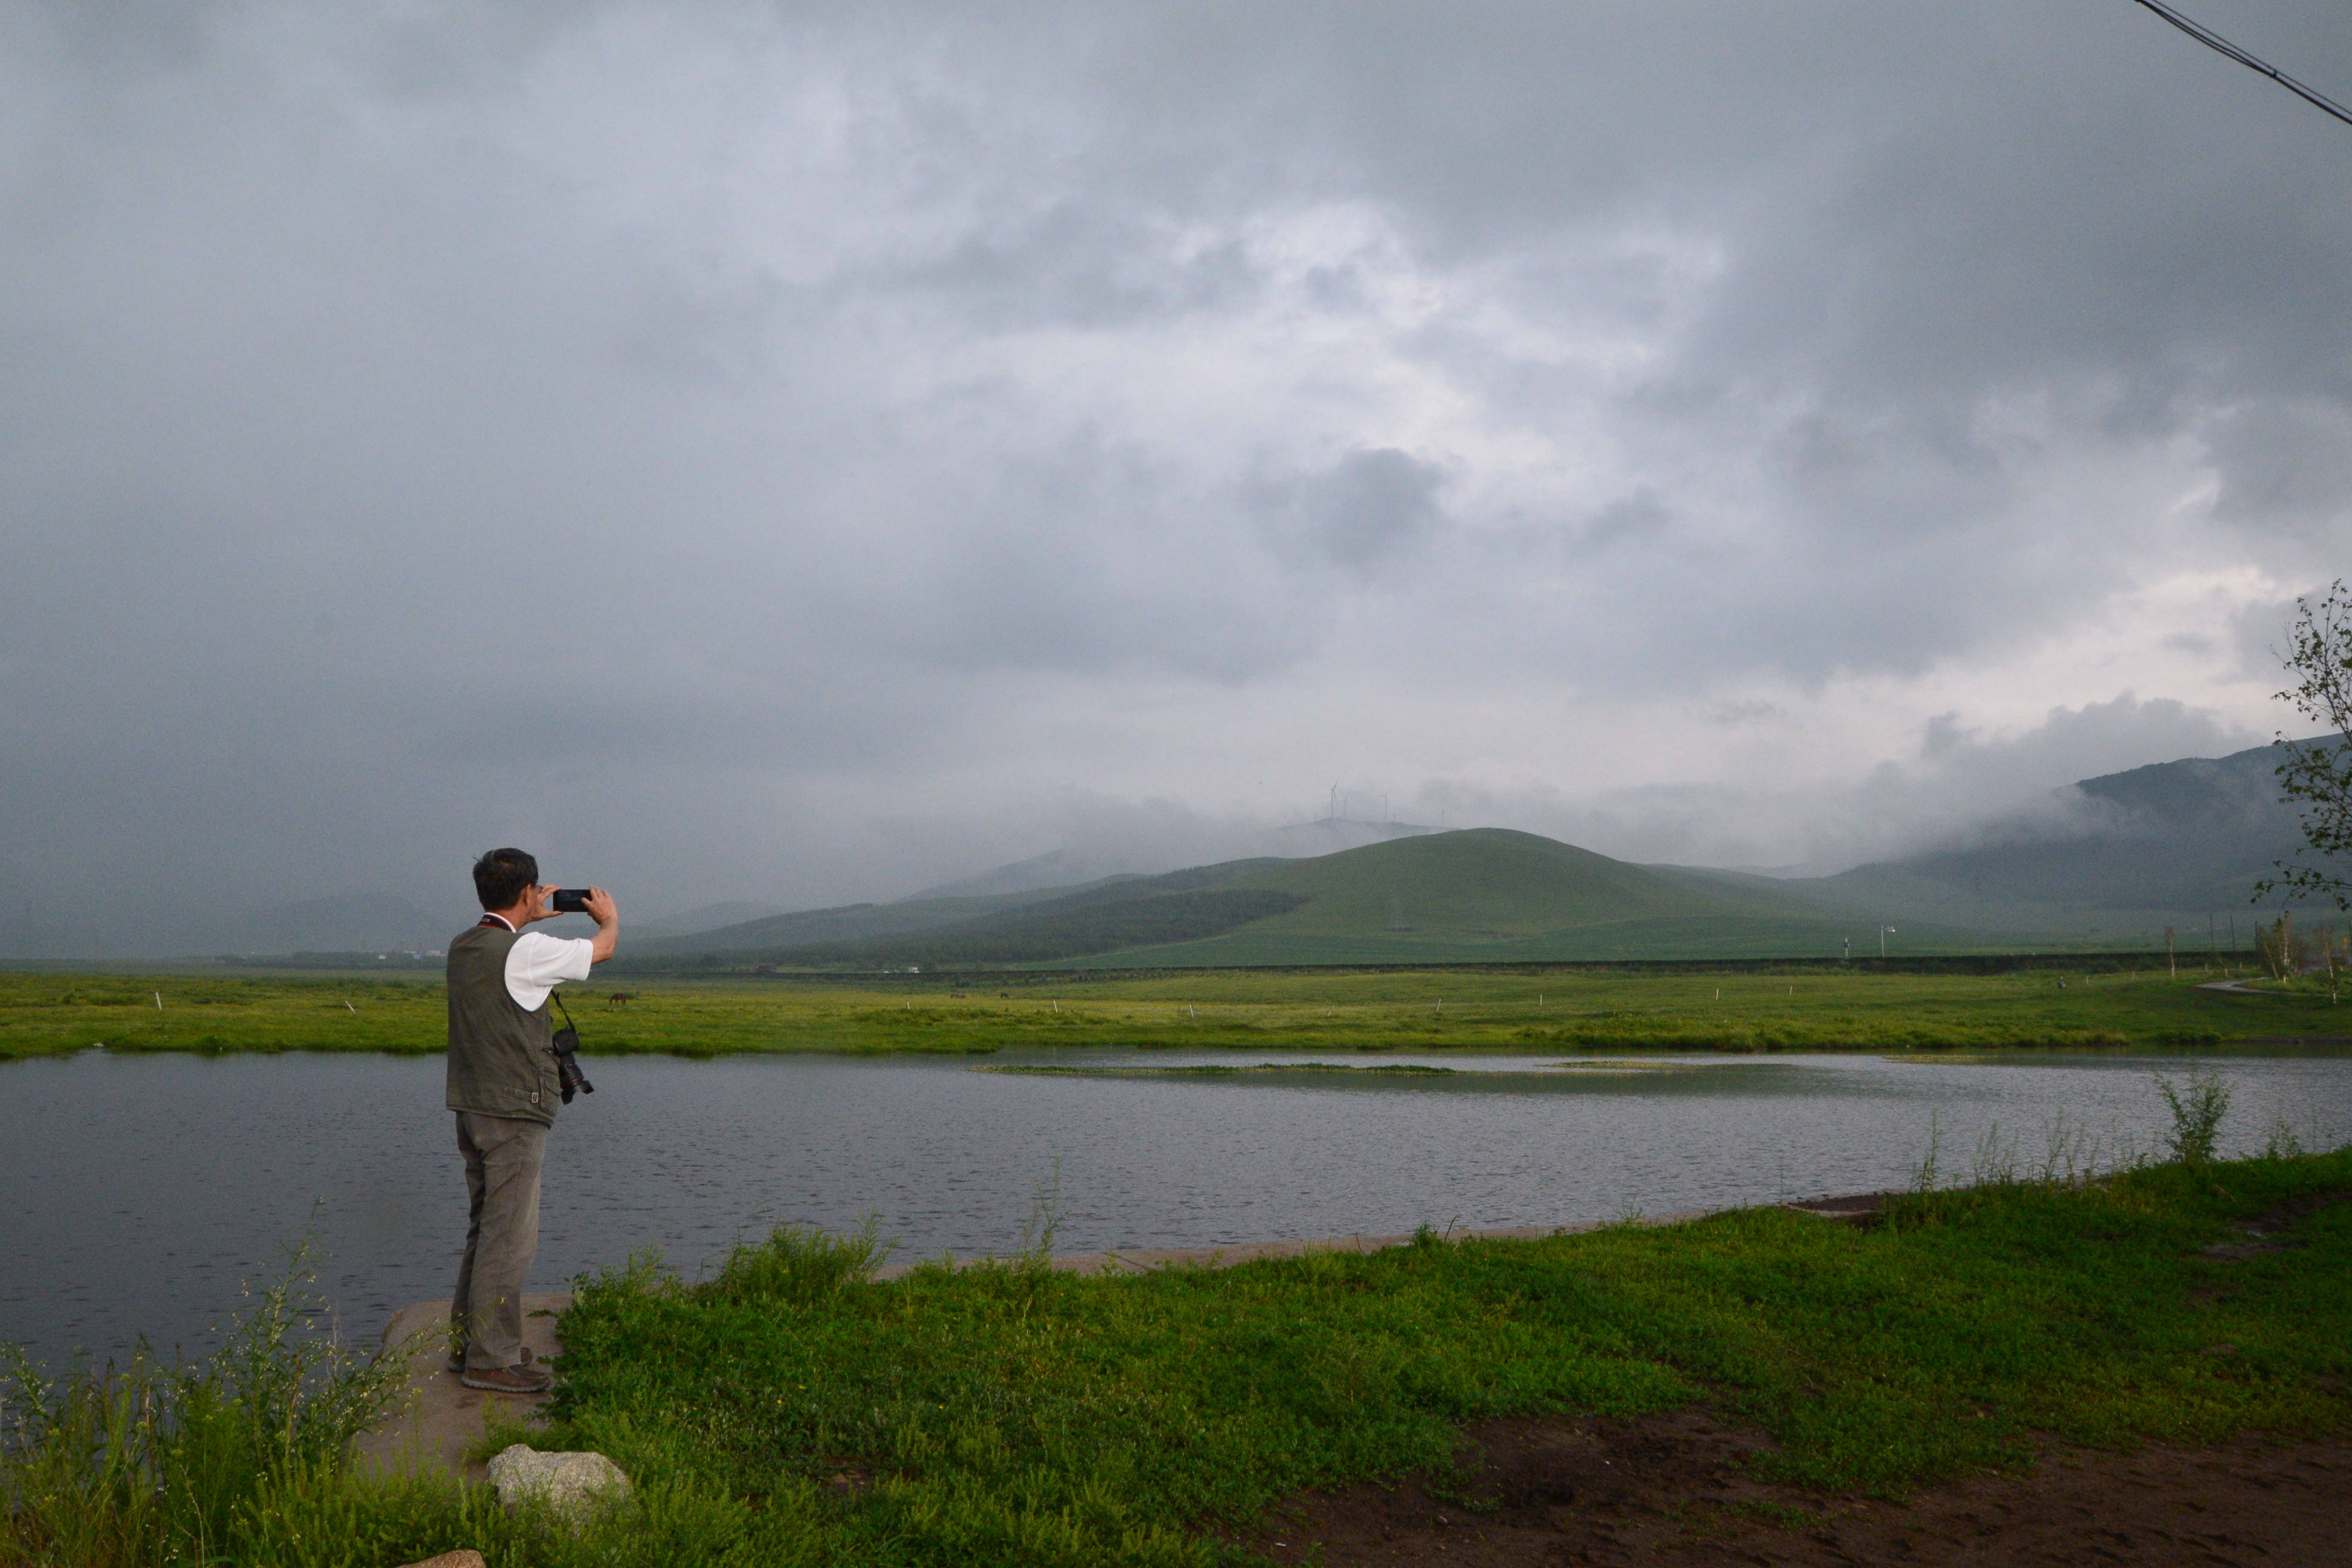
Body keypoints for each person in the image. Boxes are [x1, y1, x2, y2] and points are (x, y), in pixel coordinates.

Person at [444, 848, 618, 1392]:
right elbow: (602, 951)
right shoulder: (526, 950)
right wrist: (608, 918)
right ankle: (491, 1359)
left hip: (471, 1106)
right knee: (510, 1238)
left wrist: (524, 917)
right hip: (514, 1112)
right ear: (528, 893)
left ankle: (468, 1345)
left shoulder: (463, 946)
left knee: (484, 1228)